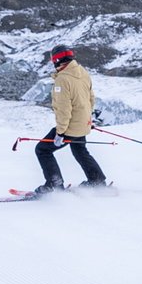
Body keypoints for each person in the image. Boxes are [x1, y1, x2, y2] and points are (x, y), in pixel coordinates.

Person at [30, 45, 107, 195]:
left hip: (70, 126)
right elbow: (91, 98)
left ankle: (54, 184)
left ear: (56, 60)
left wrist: (60, 132)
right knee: (80, 150)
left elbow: (64, 110)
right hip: (83, 123)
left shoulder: (62, 80)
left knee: (42, 150)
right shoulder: (82, 72)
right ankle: (97, 180)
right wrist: (87, 119)